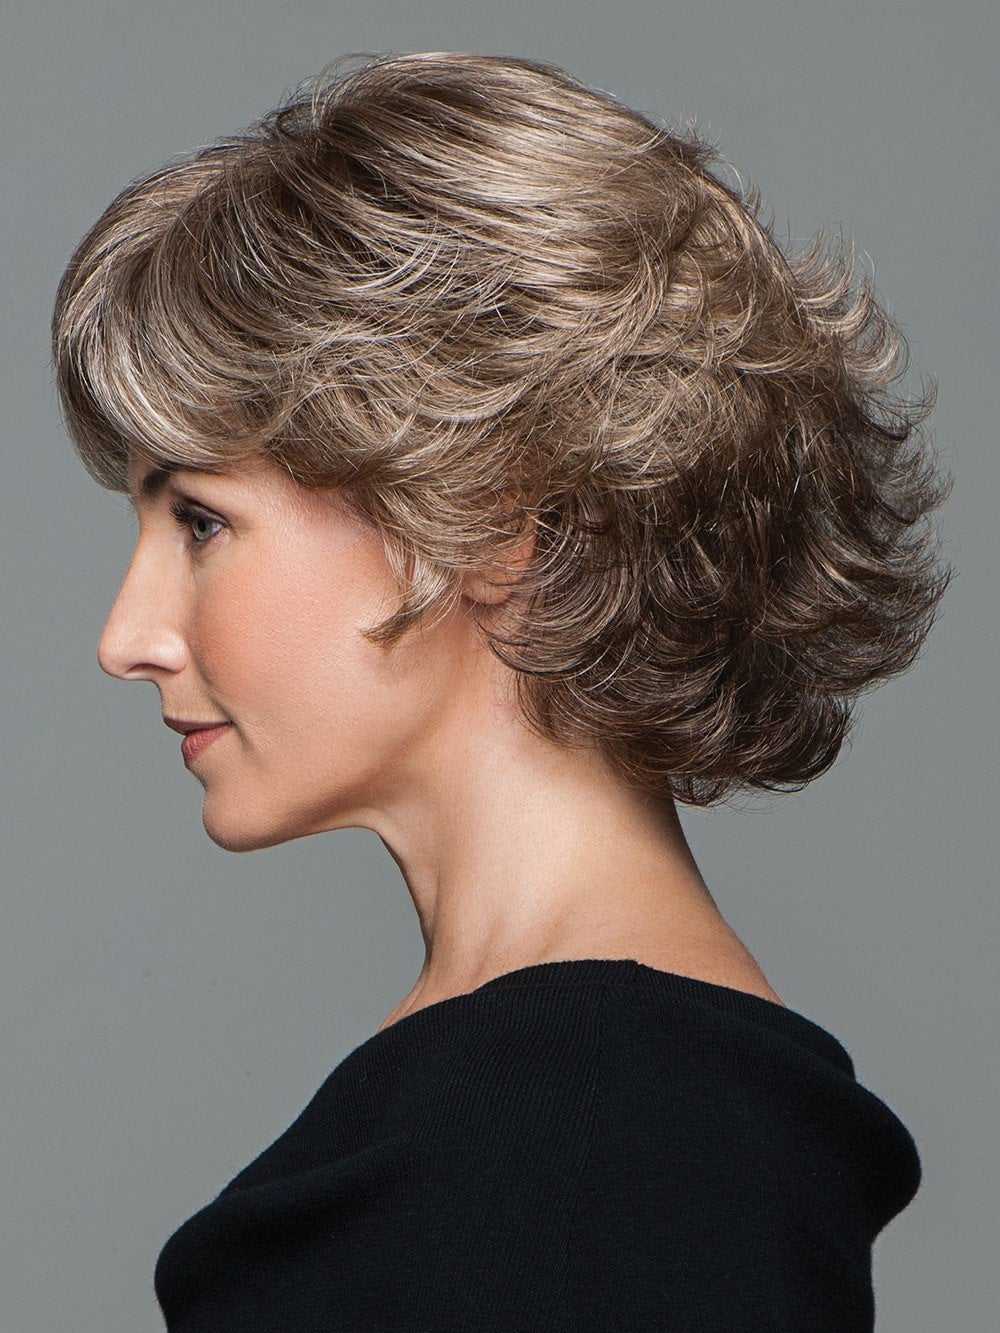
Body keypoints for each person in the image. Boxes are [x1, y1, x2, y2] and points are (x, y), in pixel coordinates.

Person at [50, 49, 952, 1332]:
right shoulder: (549, 1112)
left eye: (199, 521)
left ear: (491, 520)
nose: (125, 637)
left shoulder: (608, 1144)